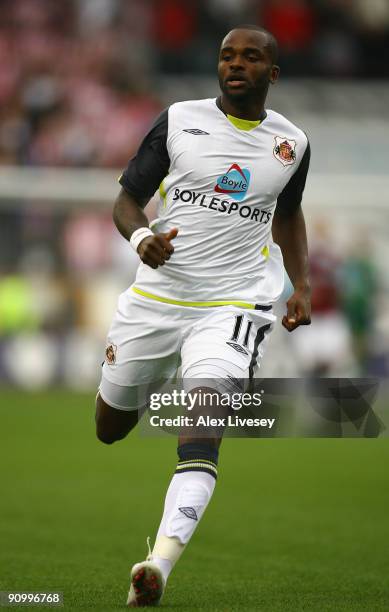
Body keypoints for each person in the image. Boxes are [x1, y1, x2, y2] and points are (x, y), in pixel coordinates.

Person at [96, 24, 311, 607]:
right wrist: (141, 237)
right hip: (158, 298)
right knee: (109, 427)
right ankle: (168, 370)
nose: (235, 64)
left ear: (273, 72)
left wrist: (302, 285)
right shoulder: (179, 119)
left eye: (250, 57)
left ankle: (157, 564)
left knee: (203, 427)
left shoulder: (292, 144)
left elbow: (288, 213)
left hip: (234, 303)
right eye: (226, 55)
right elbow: (125, 199)